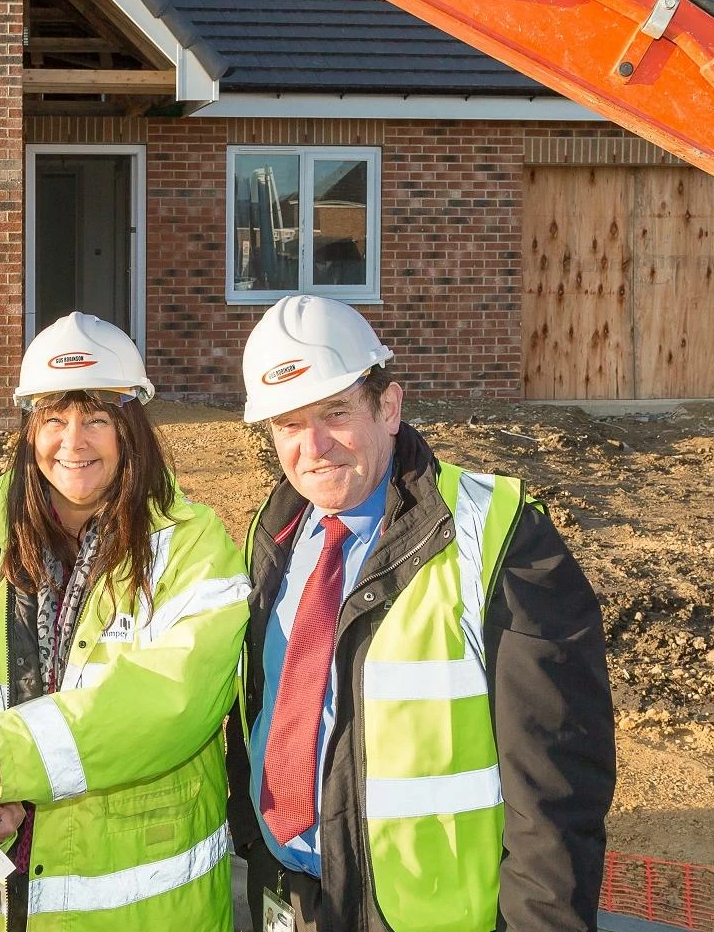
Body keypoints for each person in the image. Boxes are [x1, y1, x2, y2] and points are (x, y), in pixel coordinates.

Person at [228, 295, 616, 932]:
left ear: (388, 406)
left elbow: (557, 795)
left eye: (334, 412)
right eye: (288, 426)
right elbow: (263, 712)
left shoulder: (500, 541)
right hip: (290, 898)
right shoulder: (274, 534)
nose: (314, 447)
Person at [0, 312, 249, 932]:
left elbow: (174, 694)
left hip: (151, 911)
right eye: (53, 419)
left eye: (97, 420)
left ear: (131, 430)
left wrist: (9, 756)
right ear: (30, 432)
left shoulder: (190, 545)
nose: (73, 442)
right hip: (18, 897)